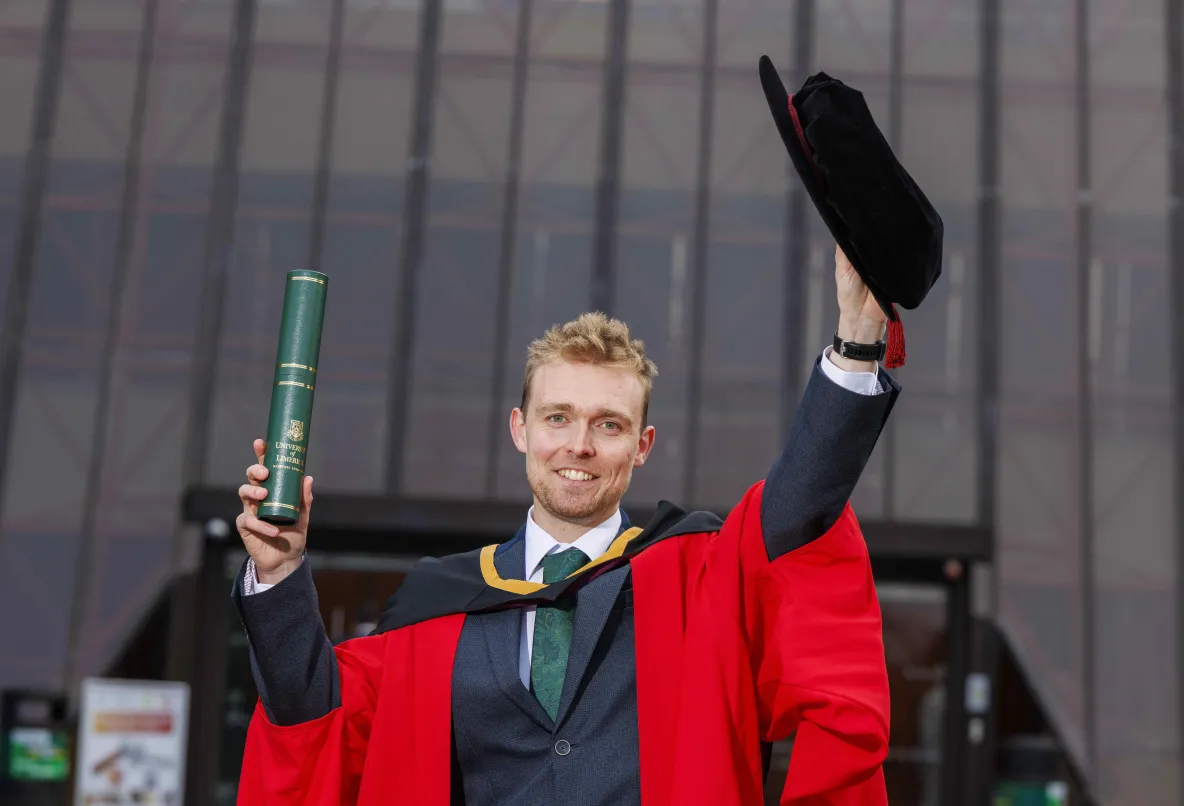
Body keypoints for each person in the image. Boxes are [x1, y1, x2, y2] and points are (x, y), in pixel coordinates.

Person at [230, 245, 899, 806]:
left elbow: (797, 506)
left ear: (642, 445)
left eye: (608, 425)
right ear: (520, 429)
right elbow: (311, 721)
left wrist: (856, 340)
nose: (579, 445)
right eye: (557, 418)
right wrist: (279, 571)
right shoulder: (437, 605)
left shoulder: (695, 577)